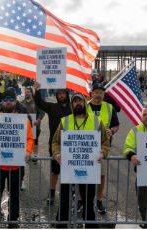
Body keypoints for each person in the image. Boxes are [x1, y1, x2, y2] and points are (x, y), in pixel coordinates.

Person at [51, 93, 111, 229]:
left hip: (89, 169)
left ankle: (90, 226)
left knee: (88, 201)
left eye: (80, 101)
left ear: (84, 103)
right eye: (75, 101)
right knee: (65, 200)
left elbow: (105, 143)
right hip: (69, 168)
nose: (78, 103)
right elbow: (55, 141)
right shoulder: (65, 121)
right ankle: (61, 225)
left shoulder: (96, 121)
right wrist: (57, 153)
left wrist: (103, 152)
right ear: (72, 104)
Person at [0, 89, 34, 229]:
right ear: (2, 102)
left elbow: (29, 137)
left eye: (11, 99)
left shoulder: (23, 119)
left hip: (16, 165)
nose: (8, 102)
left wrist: (28, 151)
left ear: (15, 101)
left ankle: (13, 220)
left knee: (15, 195)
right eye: (6, 99)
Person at [33, 82, 71, 205]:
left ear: (67, 94)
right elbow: (39, 103)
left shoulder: (73, 108)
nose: (61, 96)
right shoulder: (52, 107)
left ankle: (72, 193)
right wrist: (37, 90)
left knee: (70, 171)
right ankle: (52, 193)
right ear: (56, 95)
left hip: (72, 145)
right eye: (59, 94)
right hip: (55, 145)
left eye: (63, 93)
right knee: (55, 171)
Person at [87, 83, 120, 214]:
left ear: (104, 94)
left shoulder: (109, 107)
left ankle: (99, 200)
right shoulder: (85, 106)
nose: (98, 94)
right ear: (91, 93)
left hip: (103, 147)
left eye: (101, 92)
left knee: (101, 175)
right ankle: (81, 200)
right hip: (86, 146)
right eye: (96, 92)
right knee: (83, 174)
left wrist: (112, 131)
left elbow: (116, 125)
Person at [20, 87, 45, 159]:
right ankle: (28, 155)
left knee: (35, 140)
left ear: (32, 92)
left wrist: (38, 120)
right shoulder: (22, 103)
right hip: (25, 126)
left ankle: (35, 155)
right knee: (26, 140)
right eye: (25, 92)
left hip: (35, 126)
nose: (26, 93)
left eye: (28, 92)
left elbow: (42, 112)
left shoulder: (36, 102)